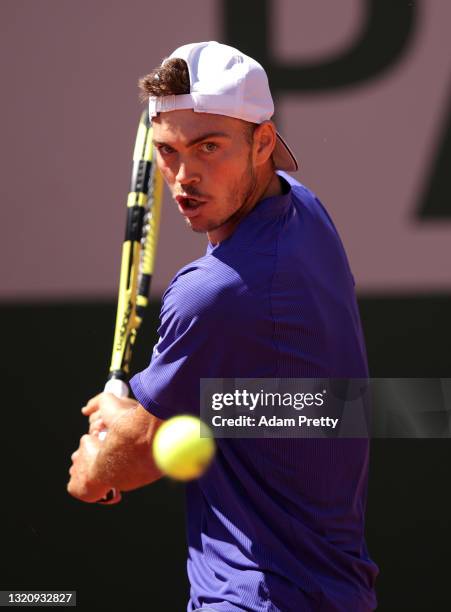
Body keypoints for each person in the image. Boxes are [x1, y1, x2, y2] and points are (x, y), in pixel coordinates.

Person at [68, 41, 378, 611]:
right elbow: (313, 404)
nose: (184, 176)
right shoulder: (306, 210)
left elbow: (127, 461)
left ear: (263, 142)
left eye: (209, 147)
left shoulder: (213, 291)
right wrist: (209, 418)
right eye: (168, 151)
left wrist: (95, 461)